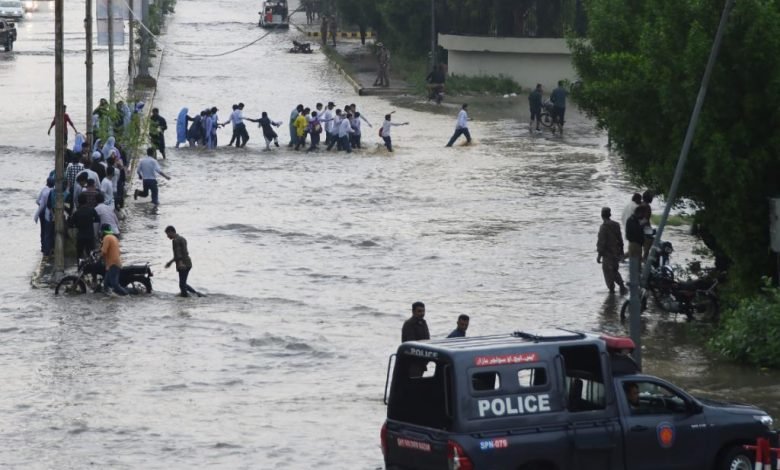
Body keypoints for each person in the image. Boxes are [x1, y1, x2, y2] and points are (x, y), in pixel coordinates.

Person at [165, 225, 203, 297]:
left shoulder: (175, 240)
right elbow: (183, 253)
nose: (167, 236)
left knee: (182, 285)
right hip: (188, 263)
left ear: (171, 232)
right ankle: (196, 295)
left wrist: (180, 263)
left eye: (167, 234)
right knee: (183, 284)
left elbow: (179, 254)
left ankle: (187, 299)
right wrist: (170, 262)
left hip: (183, 264)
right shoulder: (182, 238)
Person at [597, 207, 627, 295]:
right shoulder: (616, 225)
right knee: (614, 270)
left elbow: (601, 242)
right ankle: (621, 286)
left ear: (602, 215)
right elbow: (620, 240)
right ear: (610, 215)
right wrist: (621, 252)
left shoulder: (603, 227)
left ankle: (612, 290)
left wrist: (599, 255)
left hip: (607, 255)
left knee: (607, 272)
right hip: (616, 253)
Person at [69, 193, 100, 260]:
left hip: (80, 237)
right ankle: (92, 268)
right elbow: (98, 219)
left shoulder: (76, 213)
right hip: (90, 236)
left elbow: (70, 224)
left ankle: (80, 268)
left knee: (79, 256)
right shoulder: (92, 210)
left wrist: (76, 225)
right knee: (91, 254)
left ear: (78, 202)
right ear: (86, 201)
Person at [100, 224, 128, 296]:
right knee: (105, 284)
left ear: (103, 231)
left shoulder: (106, 237)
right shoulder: (114, 237)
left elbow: (104, 251)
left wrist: (99, 257)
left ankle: (127, 296)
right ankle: (107, 297)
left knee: (115, 284)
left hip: (113, 264)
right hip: (115, 262)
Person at [34, 178, 55, 256]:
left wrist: (41, 206)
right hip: (49, 212)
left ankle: (43, 247)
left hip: (41, 212)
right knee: (49, 231)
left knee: (43, 230)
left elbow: (37, 201)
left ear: (47, 183)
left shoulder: (43, 190)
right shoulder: (53, 191)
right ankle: (48, 249)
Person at [641, 190, 655, 260]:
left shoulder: (641, 204)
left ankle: (622, 257)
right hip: (646, 229)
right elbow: (645, 220)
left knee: (638, 247)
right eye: (652, 197)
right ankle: (645, 261)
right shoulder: (647, 206)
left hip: (642, 229)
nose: (652, 199)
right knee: (647, 248)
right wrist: (649, 231)